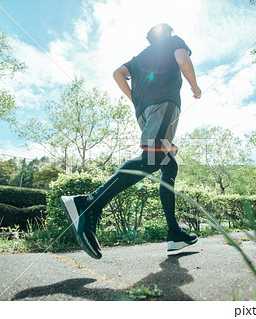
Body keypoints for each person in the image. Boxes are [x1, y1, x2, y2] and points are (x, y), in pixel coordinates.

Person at [61, 23, 202, 259]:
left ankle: (174, 233)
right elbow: (182, 60)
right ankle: (88, 203)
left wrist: (134, 99)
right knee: (153, 159)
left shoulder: (138, 59)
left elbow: (117, 74)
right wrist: (195, 87)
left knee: (168, 164)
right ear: (166, 33)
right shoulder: (174, 41)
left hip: (145, 112)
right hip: (164, 105)